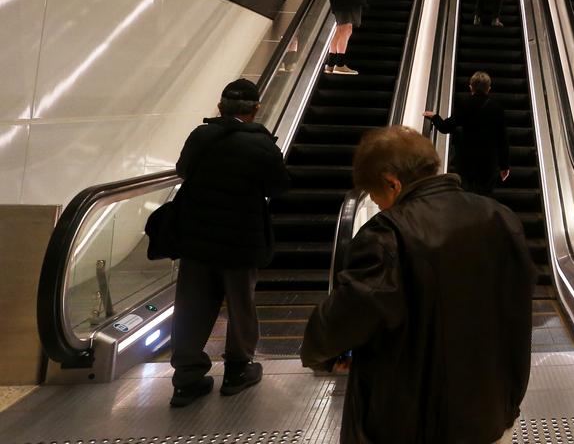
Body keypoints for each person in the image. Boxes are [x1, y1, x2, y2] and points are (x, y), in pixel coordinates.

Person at [301, 126, 535, 444]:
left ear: (392, 183)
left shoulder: (388, 235)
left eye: (375, 194)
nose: (378, 203)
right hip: (492, 413)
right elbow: (516, 314)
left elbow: (341, 320)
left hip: (415, 424)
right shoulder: (501, 217)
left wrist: (321, 354)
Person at [169, 79, 290, 408]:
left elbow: (183, 170)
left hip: (196, 239)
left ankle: (186, 380)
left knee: (192, 307)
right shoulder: (261, 145)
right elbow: (279, 186)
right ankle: (237, 369)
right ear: (254, 110)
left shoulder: (200, 136)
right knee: (240, 305)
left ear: (220, 108)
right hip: (241, 240)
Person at [423, 71, 510, 197]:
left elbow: (445, 127)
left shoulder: (464, 104)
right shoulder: (497, 108)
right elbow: (503, 139)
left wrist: (434, 117)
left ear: (471, 87)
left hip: (466, 159)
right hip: (489, 161)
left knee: (466, 194)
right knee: (485, 196)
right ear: (488, 89)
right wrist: (504, 165)